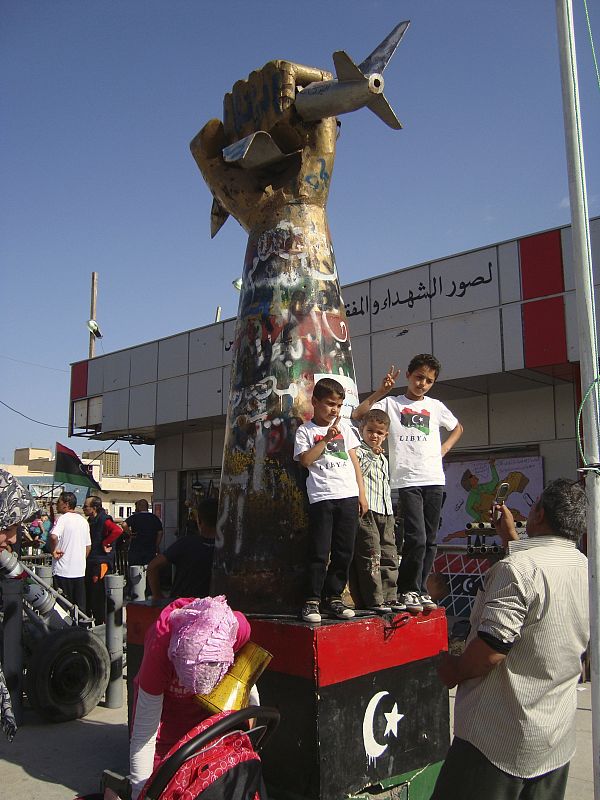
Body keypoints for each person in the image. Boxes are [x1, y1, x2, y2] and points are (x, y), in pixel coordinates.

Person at [431, 478, 589, 800]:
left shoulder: (517, 569)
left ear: (539, 514)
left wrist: (455, 669)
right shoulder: (587, 567)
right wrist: (511, 539)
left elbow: (491, 651)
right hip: (556, 740)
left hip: (495, 740)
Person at [353, 354, 463, 613]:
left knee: (431, 538)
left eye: (428, 380)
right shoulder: (392, 403)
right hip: (407, 479)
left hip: (434, 477)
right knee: (417, 537)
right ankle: (407, 589)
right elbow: (358, 414)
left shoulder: (436, 406)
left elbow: (457, 427)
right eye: (418, 377)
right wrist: (382, 390)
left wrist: (444, 448)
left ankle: (420, 589)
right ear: (408, 376)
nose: (422, 383)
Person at [129, 595, 255, 800]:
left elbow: (248, 678)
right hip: (166, 718)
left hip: (207, 718)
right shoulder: (159, 647)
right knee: (162, 780)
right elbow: (145, 736)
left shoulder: (238, 628)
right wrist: (140, 792)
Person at [294, 377, 367, 623]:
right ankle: (311, 600)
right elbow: (305, 461)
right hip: (322, 497)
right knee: (319, 551)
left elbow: (355, 461)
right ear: (315, 402)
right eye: (329, 404)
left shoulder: (346, 428)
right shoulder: (306, 430)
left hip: (348, 495)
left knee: (344, 551)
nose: (334, 410)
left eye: (338, 405)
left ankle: (334, 597)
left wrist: (362, 493)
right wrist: (325, 439)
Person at [352, 409, 405, 613]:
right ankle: (374, 599)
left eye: (379, 433)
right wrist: (372, 456)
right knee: (371, 554)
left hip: (385, 509)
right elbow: (359, 472)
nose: (374, 436)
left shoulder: (383, 457)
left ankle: (390, 596)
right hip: (368, 509)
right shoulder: (359, 452)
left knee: (389, 554)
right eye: (370, 431)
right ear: (361, 430)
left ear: (386, 435)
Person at [147, 497, 217, 602]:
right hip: (215, 609)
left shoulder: (186, 544)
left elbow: (153, 566)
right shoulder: (228, 550)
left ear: (199, 520)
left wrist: (157, 596)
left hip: (183, 607)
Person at [82, 495, 123, 623]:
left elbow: (117, 530)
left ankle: (101, 622)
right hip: (91, 560)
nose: (83, 509)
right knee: (90, 593)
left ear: (94, 508)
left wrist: (105, 543)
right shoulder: (91, 520)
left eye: (85, 506)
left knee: (98, 593)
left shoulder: (104, 520)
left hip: (100, 562)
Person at [48, 491, 91, 608]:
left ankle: (63, 627)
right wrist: (80, 559)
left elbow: (53, 536)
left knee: (62, 606)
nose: (57, 505)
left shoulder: (62, 519)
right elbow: (88, 546)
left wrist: (53, 551)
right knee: (80, 607)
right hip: (79, 571)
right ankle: (81, 626)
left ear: (66, 504)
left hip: (63, 570)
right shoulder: (84, 521)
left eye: (58, 502)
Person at [123, 499, 163, 567]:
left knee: (135, 570)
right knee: (149, 569)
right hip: (150, 548)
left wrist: (130, 534)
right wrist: (156, 545)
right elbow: (160, 532)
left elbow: (124, 524)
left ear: (139, 506)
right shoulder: (154, 518)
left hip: (136, 549)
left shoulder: (134, 517)